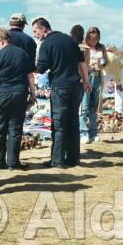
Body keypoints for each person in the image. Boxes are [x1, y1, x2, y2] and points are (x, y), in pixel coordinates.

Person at [33, 18, 91, 168]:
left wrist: (28, 68)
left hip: (60, 87)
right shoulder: (70, 40)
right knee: (73, 122)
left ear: (44, 28)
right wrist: (86, 82)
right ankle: (73, 158)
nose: (35, 34)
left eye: (35, 31)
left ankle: (57, 160)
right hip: (75, 85)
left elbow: (41, 68)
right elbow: (82, 62)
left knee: (59, 124)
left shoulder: (47, 44)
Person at [0, 28, 35, 170]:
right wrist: (33, 94)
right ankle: (13, 161)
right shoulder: (23, 53)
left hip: (1, 93)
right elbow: (30, 76)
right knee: (15, 128)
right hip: (19, 92)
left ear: (1, 41)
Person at [79, 27, 108, 144]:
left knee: (94, 107)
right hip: (86, 77)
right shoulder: (83, 47)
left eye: (96, 39)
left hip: (97, 77)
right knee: (84, 107)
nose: (93, 41)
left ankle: (93, 132)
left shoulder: (101, 48)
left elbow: (106, 61)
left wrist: (102, 62)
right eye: (91, 39)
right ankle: (83, 132)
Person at [103, 47, 123, 114]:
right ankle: (118, 111)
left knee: (101, 89)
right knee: (117, 90)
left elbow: (116, 71)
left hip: (118, 70)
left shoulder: (113, 58)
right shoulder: (104, 56)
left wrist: (118, 82)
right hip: (113, 70)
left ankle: (118, 111)